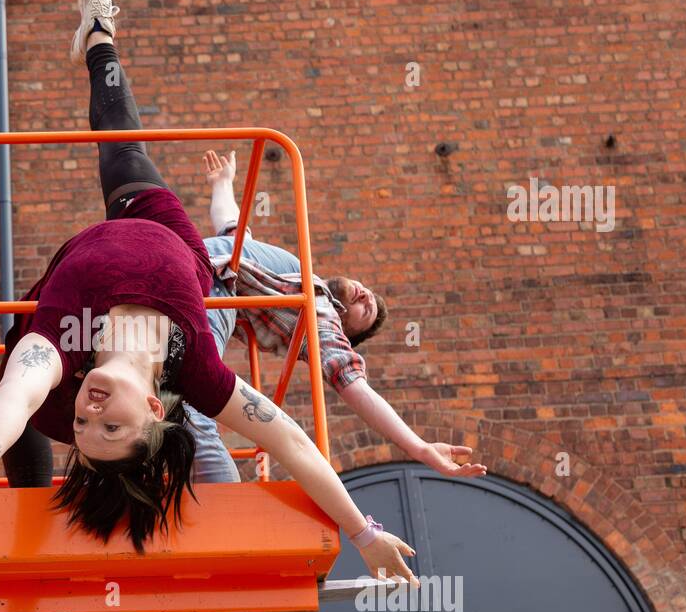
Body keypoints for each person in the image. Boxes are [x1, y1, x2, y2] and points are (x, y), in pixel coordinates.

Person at [0, 0, 418, 586]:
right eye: (109, 426)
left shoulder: (59, 353)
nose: (88, 417)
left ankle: (21, 513)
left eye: (86, 431)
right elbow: (296, 446)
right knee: (121, 144)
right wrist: (364, 533)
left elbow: (19, 396)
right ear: (152, 407)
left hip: (81, 273)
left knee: (23, 391)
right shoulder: (197, 369)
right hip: (166, 241)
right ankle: (99, 39)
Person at [185, 148, 488, 485]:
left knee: (194, 400)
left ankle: (222, 509)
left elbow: (352, 382)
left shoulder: (319, 314)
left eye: (366, 310)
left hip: (207, 290)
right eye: (369, 293)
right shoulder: (300, 277)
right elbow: (233, 232)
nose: (366, 296)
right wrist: (222, 183)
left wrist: (418, 447)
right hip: (189, 264)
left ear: (344, 328)